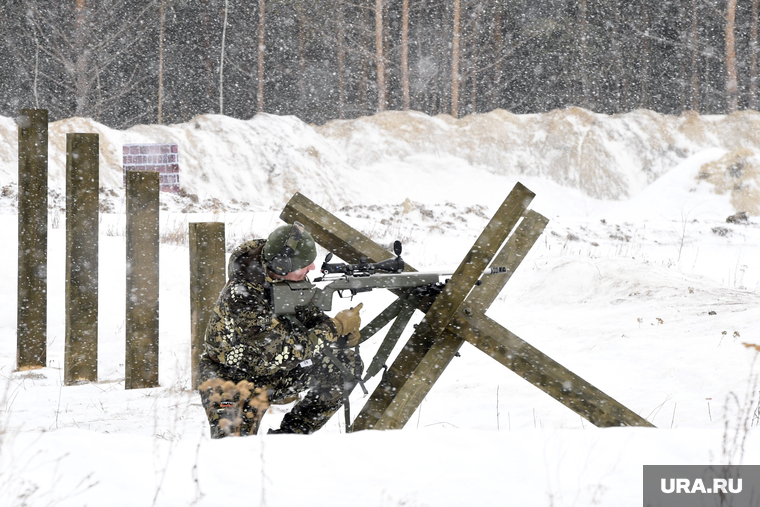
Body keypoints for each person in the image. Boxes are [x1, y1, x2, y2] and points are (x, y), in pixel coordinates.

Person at [198, 221, 364, 437]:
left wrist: (340, 335)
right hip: (232, 377)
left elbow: (306, 316)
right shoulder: (242, 296)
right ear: (280, 267)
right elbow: (282, 353)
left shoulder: (285, 277)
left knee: (345, 365)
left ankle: (289, 439)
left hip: (276, 373)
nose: (312, 268)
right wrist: (335, 327)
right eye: (305, 264)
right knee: (234, 451)